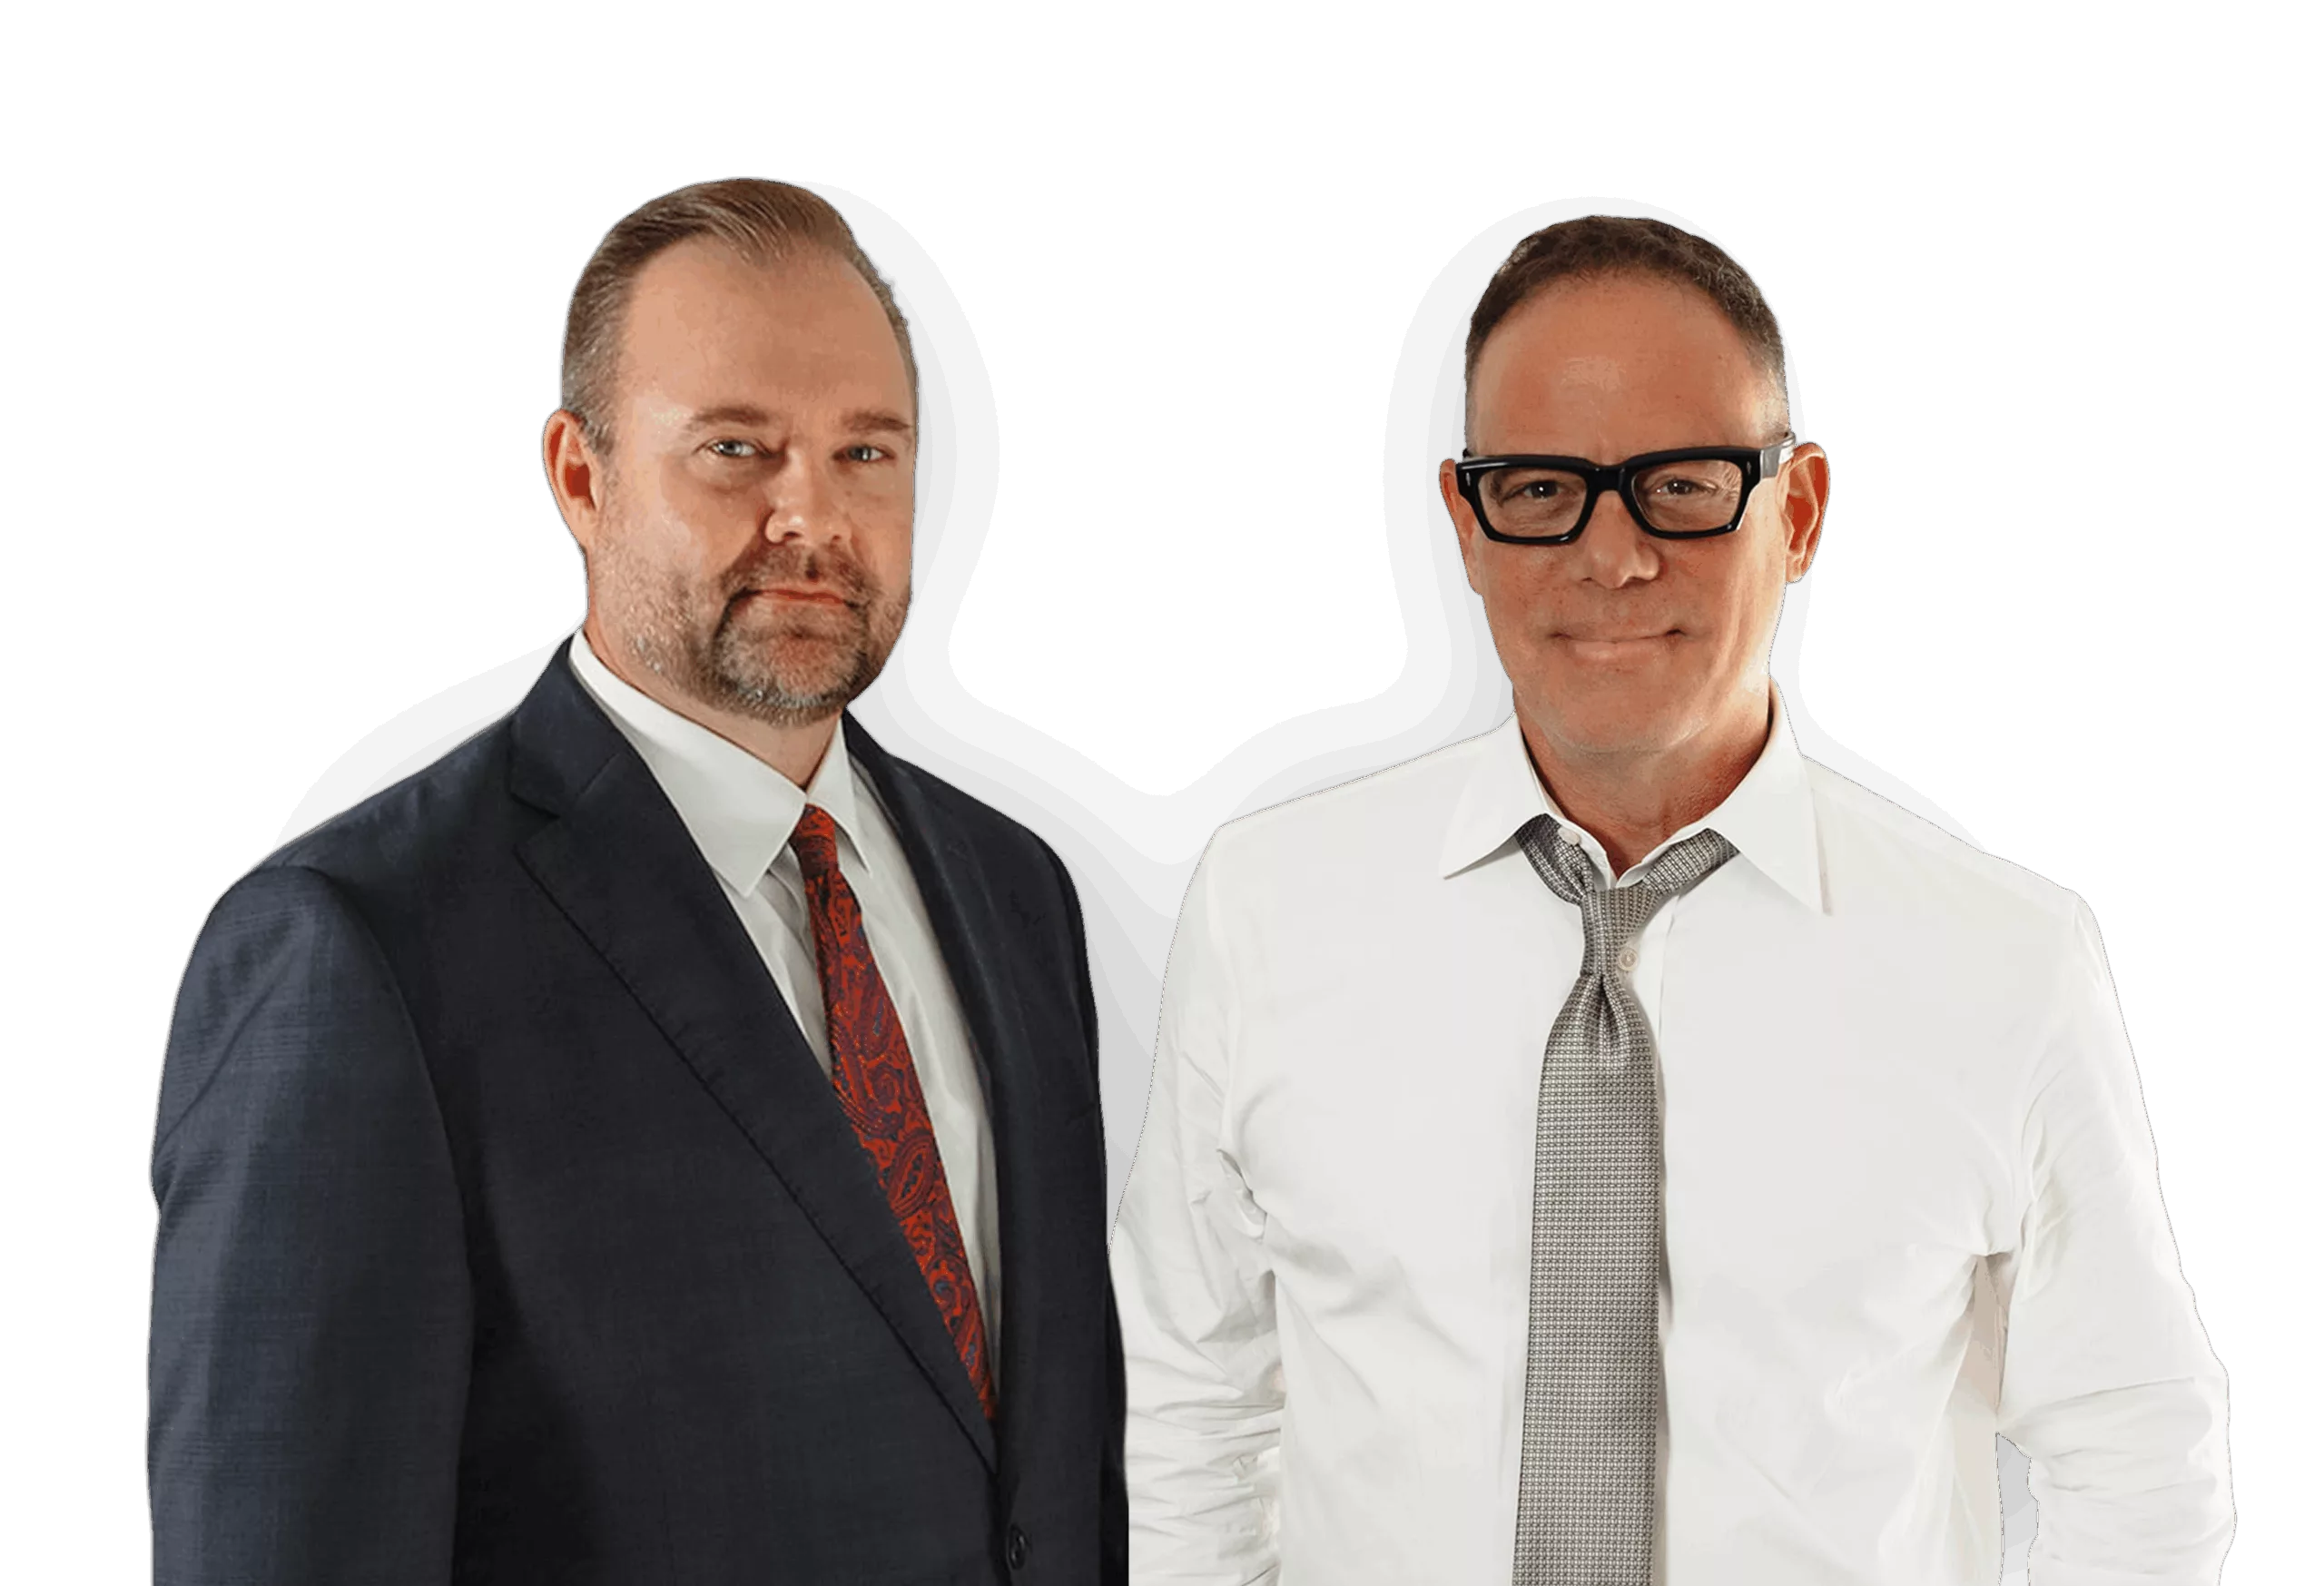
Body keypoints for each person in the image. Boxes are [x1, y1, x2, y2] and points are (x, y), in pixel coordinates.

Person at [1108, 215, 2233, 1583]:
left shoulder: (2008, 957)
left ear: (1798, 513)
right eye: (1540, 490)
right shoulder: (1266, 904)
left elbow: (2135, 1445)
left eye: (1682, 485)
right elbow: (1187, 1399)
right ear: (1466, 523)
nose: (1611, 557)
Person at [148, 178, 1125, 1584]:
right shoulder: (359, 949)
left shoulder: (1017, 889)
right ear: (579, 477)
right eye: (737, 447)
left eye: (866, 451)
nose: (811, 515)